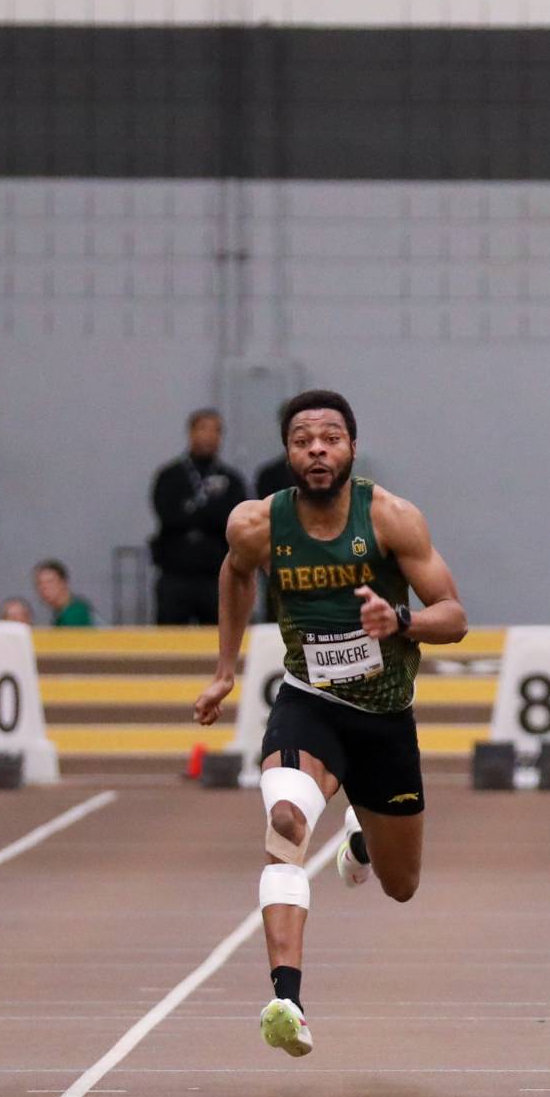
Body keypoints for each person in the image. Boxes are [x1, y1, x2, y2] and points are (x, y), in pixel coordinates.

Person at [192, 389, 467, 1059]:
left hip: (385, 718)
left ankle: (363, 833)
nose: (317, 449)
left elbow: (454, 616)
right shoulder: (256, 525)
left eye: (331, 438)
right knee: (285, 822)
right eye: (303, 439)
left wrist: (399, 621)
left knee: (401, 886)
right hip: (308, 703)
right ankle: (288, 999)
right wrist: (225, 669)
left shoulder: (392, 519)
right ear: (287, 452)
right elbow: (235, 577)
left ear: (350, 447)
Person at [151, 407, 246, 625]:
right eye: (203, 429)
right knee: (170, 639)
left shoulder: (231, 479)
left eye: (216, 431)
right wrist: (209, 512)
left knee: (220, 637)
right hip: (175, 573)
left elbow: (234, 519)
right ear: (191, 432)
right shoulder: (169, 476)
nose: (209, 436)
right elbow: (168, 515)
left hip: (216, 574)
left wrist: (193, 512)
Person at [33, 558, 95, 626]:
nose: (44, 588)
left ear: (63, 582)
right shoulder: (61, 613)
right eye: (39, 583)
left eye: (50, 582)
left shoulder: (75, 613)